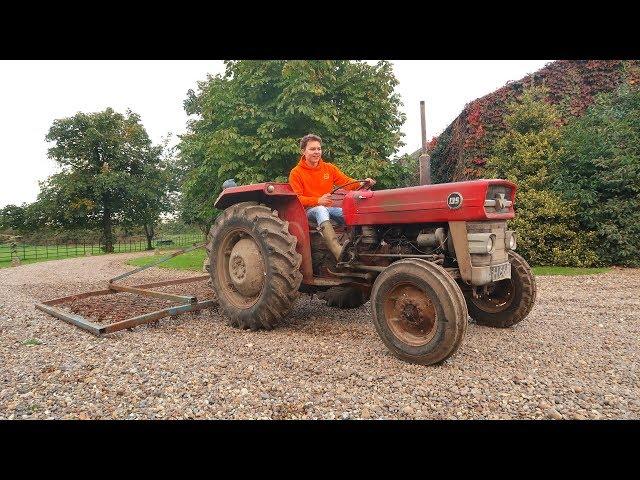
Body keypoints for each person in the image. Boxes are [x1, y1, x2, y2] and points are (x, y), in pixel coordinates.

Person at [289, 134, 376, 261]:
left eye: (319, 149)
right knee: (320, 209)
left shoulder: (328, 168)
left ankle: (364, 247)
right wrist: (318, 200)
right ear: (303, 151)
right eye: (312, 149)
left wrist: (362, 183)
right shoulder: (296, 173)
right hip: (308, 212)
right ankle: (339, 252)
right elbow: (297, 200)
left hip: (327, 209)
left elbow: (346, 182)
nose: (317, 152)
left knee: (349, 213)